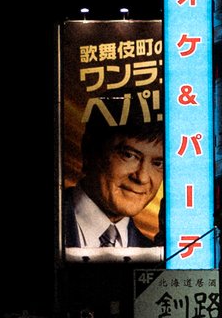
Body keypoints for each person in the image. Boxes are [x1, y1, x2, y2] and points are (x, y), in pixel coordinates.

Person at [65, 107, 167, 256]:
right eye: (129, 155)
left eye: (158, 163)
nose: (142, 178)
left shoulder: (155, 254)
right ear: (89, 149)